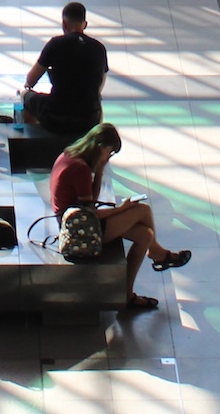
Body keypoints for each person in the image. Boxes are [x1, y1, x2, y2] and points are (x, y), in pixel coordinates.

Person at [50, 123, 190, 316]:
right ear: (100, 147)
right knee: (142, 211)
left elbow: (90, 198)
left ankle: (128, 293)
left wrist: (99, 170)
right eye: (110, 152)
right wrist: (122, 209)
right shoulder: (80, 169)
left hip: (77, 220)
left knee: (144, 235)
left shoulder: (70, 156)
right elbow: (91, 213)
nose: (110, 157)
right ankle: (157, 253)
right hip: (79, 229)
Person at [19, 2, 109, 142]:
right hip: (89, 119)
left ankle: (33, 143)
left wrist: (27, 87)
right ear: (85, 24)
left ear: (64, 24)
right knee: (97, 101)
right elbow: (99, 86)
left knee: (26, 95)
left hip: (56, 116)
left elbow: (31, 79)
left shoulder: (56, 44)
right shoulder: (99, 48)